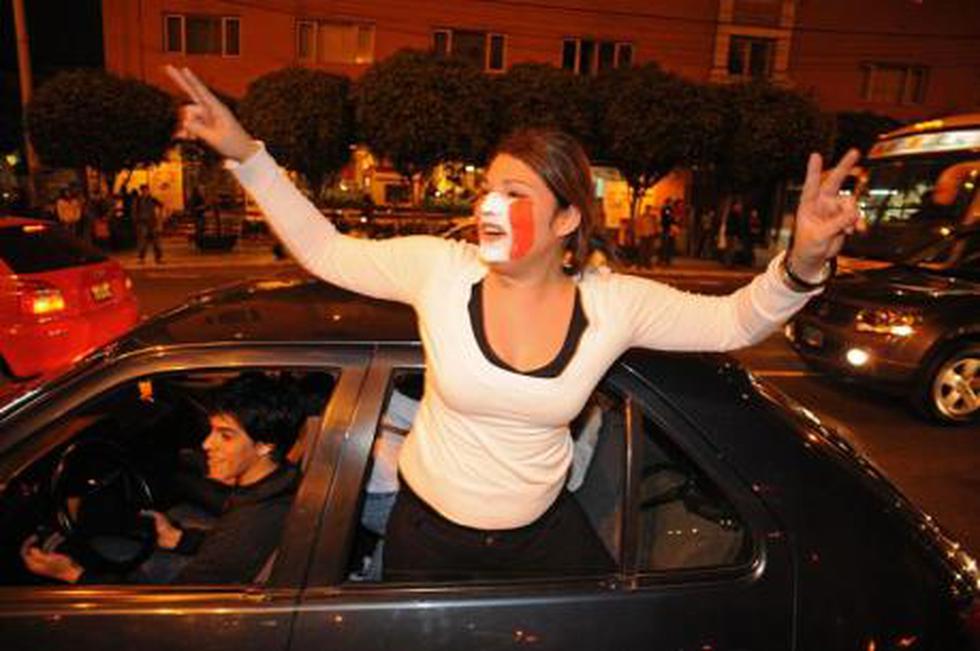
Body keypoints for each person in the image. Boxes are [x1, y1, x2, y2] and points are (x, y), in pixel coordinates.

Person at [165, 65, 862, 581]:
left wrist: (799, 262)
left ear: (566, 220)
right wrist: (246, 155)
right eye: (488, 189)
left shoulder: (611, 301)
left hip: (539, 539)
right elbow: (323, 249)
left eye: (516, 194)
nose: (491, 207)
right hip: (426, 536)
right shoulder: (440, 269)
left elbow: (735, 321)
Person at [20, 373, 303, 585]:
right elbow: (225, 544)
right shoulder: (277, 483)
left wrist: (73, 574)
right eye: (212, 430)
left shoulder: (252, 523)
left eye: (225, 435)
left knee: (100, 551)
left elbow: (170, 609)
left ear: (265, 445)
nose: (206, 443)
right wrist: (179, 539)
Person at [134, 184, 164, 263]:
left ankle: (158, 258)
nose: (145, 192)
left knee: (156, 241)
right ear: (141, 191)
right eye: (143, 190)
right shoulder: (139, 200)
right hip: (143, 222)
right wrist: (137, 220)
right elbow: (135, 211)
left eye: (146, 190)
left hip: (152, 222)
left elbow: (161, 205)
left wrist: (159, 217)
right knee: (143, 241)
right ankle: (141, 258)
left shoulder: (152, 199)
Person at [658, 198, 677, 266]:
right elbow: (667, 217)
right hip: (667, 229)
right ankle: (664, 260)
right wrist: (672, 217)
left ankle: (665, 260)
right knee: (666, 245)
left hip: (668, 229)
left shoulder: (668, 209)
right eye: (671, 202)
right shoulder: (667, 209)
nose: (672, 204)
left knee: (667, 245)